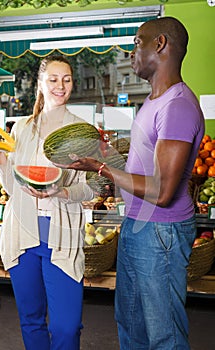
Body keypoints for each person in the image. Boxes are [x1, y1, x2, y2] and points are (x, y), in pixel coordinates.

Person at [57, 17, 205, 349]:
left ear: (161, 44)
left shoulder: (177, 105)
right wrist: (102, 154)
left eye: (137, 42)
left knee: (163, 333)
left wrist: (101, 168)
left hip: (160, 233)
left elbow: (162, 191)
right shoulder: (154, 102)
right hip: (139, 227)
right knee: (132, 323)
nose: (131, 50)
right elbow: (142, 165)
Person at [0, 55, 94, 350]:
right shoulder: (21, 129)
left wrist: (62, 193)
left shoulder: (82, 131)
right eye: (53, 79)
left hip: (61, 237)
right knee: (31, 319)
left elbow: (92, 188)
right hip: (21, 233)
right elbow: (12, 188)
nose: (60, 85)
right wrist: (1, 159)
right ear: (40, 85)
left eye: (66, 79)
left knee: (66, 327)